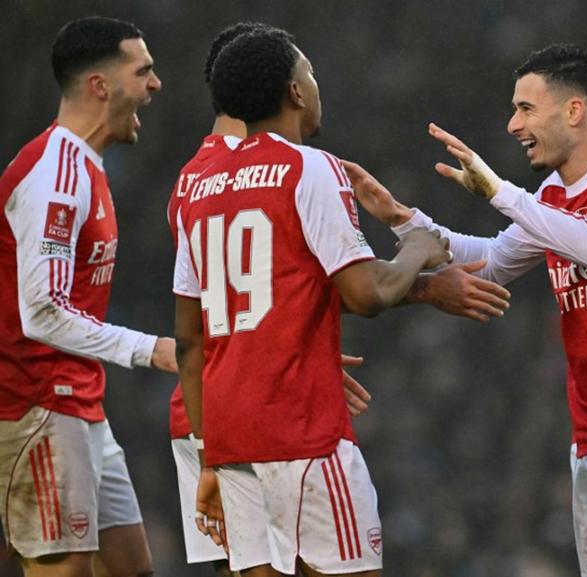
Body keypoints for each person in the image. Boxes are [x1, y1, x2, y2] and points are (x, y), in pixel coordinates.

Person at [347, 44, 587, 577]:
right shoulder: (553, 193)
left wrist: (498, 190)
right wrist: (405, 221)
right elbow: (494, 262)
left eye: (525, 109)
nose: (511, 125)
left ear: (573, 111)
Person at [173, 28, 453, 577]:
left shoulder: (197, 188)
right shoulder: (311, 167)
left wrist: (209, 453)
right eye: (311, 73)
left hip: (231, 441)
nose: (315, 84)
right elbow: (366, 294)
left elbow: (191, 337)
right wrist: (417, 247)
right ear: (296, 92)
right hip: (303, 433)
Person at [0, 16, 175, 577]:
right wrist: (150, 349)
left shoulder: (86, 167)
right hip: (35, 404)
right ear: (100, 85)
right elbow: (43, 311)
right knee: (65, 570)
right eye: (142, 71)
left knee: (131, 568)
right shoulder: (55, 175)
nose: (156, 84)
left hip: (78, 402)